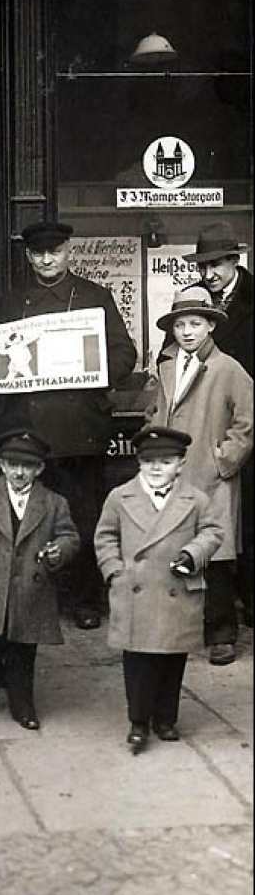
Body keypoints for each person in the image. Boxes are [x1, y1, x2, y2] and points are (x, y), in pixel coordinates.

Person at [0, 220, 137, 631]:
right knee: (29, 517)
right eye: (38, 253)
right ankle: (37, 600)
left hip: (79, 426)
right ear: (29, 256)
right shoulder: (13, 301)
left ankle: (85, 598)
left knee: (82, 515)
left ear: (69, 251)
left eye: (55, 251)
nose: (47, 260)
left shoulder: (93, 296)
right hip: (29, 431)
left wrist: (93, 371)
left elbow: (125, 353)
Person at [95, 425, 224, 753]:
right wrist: (114, 571)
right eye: (149, 461)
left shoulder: (195, 499)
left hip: (176, 587)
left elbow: (212, 532)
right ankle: (138, 721)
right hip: (135, 591)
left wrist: (193, 554)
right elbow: (105, 536)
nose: (156, 468)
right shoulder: (120, 497)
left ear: (181, 464)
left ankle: (166, 717)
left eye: (165, 461)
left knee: (171, 660)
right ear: (138, 462)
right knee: (138, 662)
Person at [146, 285, 253, 667]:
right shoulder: (167, 367)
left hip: (212, 477)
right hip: (173, 475)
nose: (187, 331)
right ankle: (186, 626)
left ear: (210, 325)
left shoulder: (228, 368)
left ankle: (222, 632)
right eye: (180, 325)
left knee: (217, 556)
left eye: (195, 323)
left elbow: (246, 422)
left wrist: (223, 460)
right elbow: (156, 412)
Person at [0, 428, 80, 730]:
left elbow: (69, 536)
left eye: (28, 466)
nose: (20, 472)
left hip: (28, 589)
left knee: (23, 649)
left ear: (39, 469)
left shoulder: (53, 502)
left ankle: (24, 705)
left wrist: (58, 551)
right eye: (13, 465)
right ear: (2, 466)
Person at [185, 221, 253, 628]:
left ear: (235, 261)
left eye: (216, 265)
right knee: (221, 525)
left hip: (248, 425)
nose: (208, 273)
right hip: (211, 431)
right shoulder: (196, 304)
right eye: (203, 266)